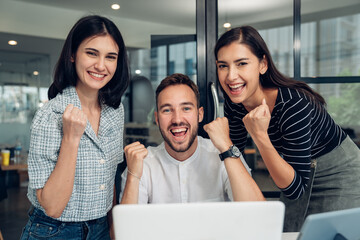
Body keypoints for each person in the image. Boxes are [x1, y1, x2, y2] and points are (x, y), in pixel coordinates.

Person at [214, 25, 360, 231]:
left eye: (241, 63)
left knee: (331, 234)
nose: (231, 76)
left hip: (339, 170)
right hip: (296, 169)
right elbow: (236, 156)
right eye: (223, 66)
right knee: (286, 233)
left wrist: (259, 135)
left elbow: (294, 190)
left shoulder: (294, 103)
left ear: (262, 64)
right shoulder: (235, 101)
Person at [20, 15, 129, 239]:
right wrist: (71, 138)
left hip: (101, 228)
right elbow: (52, 206)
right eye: (91, 53)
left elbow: (109, 180)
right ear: (72, 54)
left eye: (111, 57)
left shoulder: (115, 111)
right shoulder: (50, 115)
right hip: (54, 231)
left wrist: (113, 227)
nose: (101, 65)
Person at [120, 73, 264, 204]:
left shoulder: (224, 154)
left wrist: (227, 147)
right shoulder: (143, 163)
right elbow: (124, 232)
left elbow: (257, 216)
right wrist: (133, 176)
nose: (177, 119)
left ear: (199, 114)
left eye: (186, 108)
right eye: (167, 110)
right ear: (157, 119)